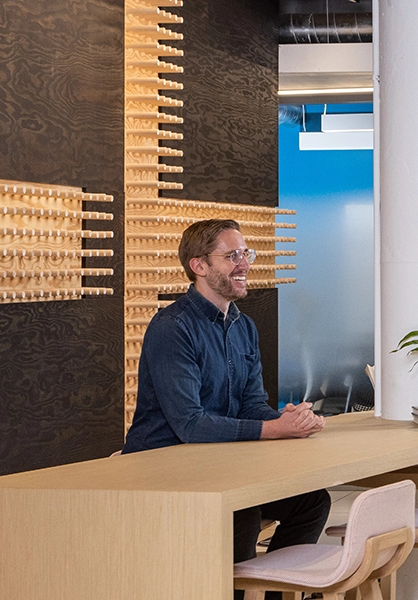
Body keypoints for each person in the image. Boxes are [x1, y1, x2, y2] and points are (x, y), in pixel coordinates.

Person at [122, 219, 331, 591]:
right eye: (232, 255)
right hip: (163, 470)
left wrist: (288, 420)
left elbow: (251, 404)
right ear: (198, 266)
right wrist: (273, 430)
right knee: (242, 514)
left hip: (218, 467)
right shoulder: (173, 327)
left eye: (245, 253)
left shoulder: (243, 325)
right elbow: (190, 424)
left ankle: (272, 594)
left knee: (312, 502)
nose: (245, 264)